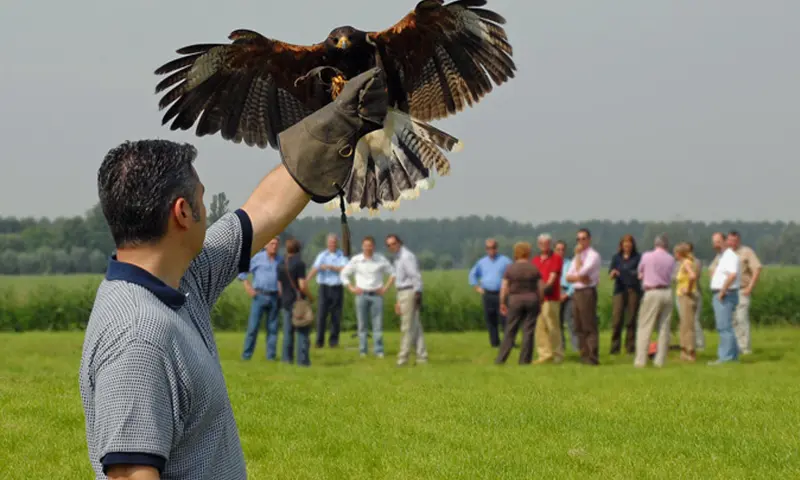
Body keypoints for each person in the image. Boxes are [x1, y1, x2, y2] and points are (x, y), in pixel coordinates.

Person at [77, 67, 389, 479]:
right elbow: (131, 475)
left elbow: (262, 212)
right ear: (183, 213)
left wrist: (339, 121)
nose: (211, 210)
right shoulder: (138, 336)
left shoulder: (183, 280)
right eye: (203, 199)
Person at [340, 236, 395, 358]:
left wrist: (385, 288)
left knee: (377, 324)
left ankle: (379, 350)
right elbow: (344, 274)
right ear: (362, 246)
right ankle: (363, 350)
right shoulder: (356, 260)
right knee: (362, 324)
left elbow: (393, 273)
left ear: (373, 246)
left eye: (370, 245)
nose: (368, 248)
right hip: (361, 295)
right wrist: (351, 288)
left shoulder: (380, 259)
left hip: (376, 295)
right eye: (365, 245)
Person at [495, 241, 544, 365]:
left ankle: (501, 359)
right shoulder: (533, 268)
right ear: (528, 253)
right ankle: (524, 360)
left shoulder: (510, 268)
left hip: (515, 300)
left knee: (510, 330)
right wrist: (541, 301)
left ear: (516, 253)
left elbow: (504, 287)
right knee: (528, 331)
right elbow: (541, 287)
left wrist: (502, 302)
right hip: (532, 299)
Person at [633, 235, 676, 368]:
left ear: (655, 244)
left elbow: (640, 273)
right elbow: (673, 276)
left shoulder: (647, 256)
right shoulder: (671, 258)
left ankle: (641, 360)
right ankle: (660, 360)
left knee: (645, 326)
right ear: (666, 245)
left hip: (652, 291)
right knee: (664, 327)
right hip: (667, 291)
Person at [386, 234, 428, 366]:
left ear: (399, 243)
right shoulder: (397, 258)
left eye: (393, 243)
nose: (391, 247)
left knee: (407, 326)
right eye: (388, 245)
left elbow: (415, 275)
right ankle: (422, 357)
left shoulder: (406, 256)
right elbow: (399, 279)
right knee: (415, 326)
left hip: (409, 291)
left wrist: (418, 293)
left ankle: (403, 358)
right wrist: (398, 300)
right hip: (402, 292)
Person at [238, 236, 282, 361]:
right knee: (253, 328)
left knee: (273, 329)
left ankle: (271, 357)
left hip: (274, 296)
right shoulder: (258, 258)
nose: (274, 246)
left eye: (276, 244)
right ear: (266, 245)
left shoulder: (280, 260)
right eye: (272, 243)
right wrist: (249, 288)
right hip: (259, 296)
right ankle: (246, 356)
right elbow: (242, 273)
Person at [565, 228, 602, 365]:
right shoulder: (577, 257)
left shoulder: (593, 255)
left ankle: (593, 356)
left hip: (587, 292)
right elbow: (568, 277)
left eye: (583, 238)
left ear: (589, 239)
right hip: (577, 291)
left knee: (589, 325)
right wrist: (579, 277)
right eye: (578, 239)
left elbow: (581, 271)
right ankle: (584, 355)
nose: (580, 241)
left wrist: (579, 273)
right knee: (578, 325)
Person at [468, 238, 512, 347]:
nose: (491, 250)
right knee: (490, 319)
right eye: (488, 248)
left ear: (497, 248)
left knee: (505, 319)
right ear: (486, 249)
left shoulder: (505, 261)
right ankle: (494, 343)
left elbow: (513, 274)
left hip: (502, 294)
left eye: (493, 248)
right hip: (487, 294)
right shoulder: (481, 262)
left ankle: (508, 342)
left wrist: (509, 288)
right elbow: (472, 275)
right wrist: (477, 288)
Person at [306, 233, 348, 348]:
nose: (332, 244)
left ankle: (333, 342)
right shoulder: (322, 255)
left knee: (336, 315)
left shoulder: (341, 255)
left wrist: (331, 267)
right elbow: (315, 268)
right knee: (321, 315)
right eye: (330, 242)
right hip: (324, 287)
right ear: (327, 244)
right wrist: (307, 280)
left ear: (337, 243)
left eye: (334, 242)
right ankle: (319, 342)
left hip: (337, 287)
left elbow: (345, 268)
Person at [277, 238, 313, 366]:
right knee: (302, 330)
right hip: (298, 301)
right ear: (299, 249)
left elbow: (279, 285)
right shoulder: (300, 264)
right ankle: (302, 361)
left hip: (286, 301)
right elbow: (302, 285)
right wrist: (311, 297)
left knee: (288, 332)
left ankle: (287, 359)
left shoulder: (281, 264)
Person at [708, 232, 741, 365]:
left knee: (724, 327)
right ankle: (732, 357)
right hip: (722, 293)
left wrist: (722, 291)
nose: (715, 244)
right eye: (714, 242)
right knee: (726, 326)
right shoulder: (722, 257)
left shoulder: (730, 256)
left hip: (725, 294)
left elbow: (732, 275)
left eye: (718, 241)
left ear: (725, 241)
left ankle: (725, 358)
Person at [728, 231, 762, 355]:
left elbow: (757, 268)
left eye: (735, 240)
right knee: (733, 320)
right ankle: (736, 346)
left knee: (741, 318)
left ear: (739, 240)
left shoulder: (746, 252)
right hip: (729, 291)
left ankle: (745, 347)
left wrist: (750, 287)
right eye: (730, 240)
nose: (732, 243)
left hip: (742, 289)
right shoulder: (726, 253)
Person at [531, 233, 564, 364]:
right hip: (537, 298)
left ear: (550, 244)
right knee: (539, 327)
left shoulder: (556, 258)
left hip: (551, 297)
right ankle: (544, 354)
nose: (544, 245)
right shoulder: (535, 260)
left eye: (546, 243)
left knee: (552, 325)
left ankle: (557, 354)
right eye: (541, 243)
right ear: (538, 244)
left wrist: (543, 290)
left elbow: (552, 277)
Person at [608, 234, 642, 355]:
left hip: (633, 290)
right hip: (619, 290)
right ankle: (614, 347)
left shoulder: (638, 258)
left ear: (633, 245)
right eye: (625, 243)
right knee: (617, 320)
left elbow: (640, 272)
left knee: (631, 319)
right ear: (621, 245)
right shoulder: (616, 258)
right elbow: (610, 273)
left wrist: (632, 274)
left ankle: (630, 347)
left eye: (629, 243)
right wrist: (613, 273)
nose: (627, 245)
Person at [673, 242, 699, 362]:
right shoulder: (689, 262)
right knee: (684, 325)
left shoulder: (686, 263)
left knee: (688, 325)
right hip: (681, 297)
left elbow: (692, 276)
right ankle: (684, 352)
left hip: (686, 298)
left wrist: (688, 289)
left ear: (679, 253)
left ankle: (690, 352)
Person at [555, 240, 579, 352]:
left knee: (571, 322)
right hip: (555, 293)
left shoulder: (570, 263)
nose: (560, 252)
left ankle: (576, 348)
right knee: (557, 323)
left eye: (562, 249)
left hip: (568, 293)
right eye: (558, 249)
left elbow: (574, 281)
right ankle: (561, 348)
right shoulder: (552, 263)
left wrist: (567, 294)